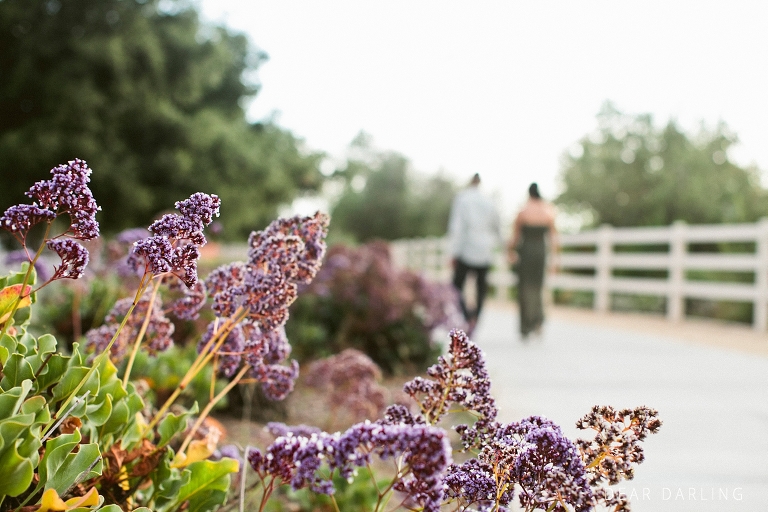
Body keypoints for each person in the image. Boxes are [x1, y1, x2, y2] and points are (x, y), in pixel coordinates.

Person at [447, 173, 502, 333]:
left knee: (457, 287)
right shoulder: (489, 201)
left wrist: (453, 251)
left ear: (471, 182)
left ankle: (466, 315)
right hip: (485, 251)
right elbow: (497, 227)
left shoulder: (462, 198)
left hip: (466, 249)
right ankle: (475, 317)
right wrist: (503, 247)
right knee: (481, 290)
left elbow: (457, 226)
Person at [508, 183, 558, 340]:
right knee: (538, 287)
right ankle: (538, 322)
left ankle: (526, 326)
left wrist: (510, 251)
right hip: (540, 252)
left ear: (529, 194)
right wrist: (555, 259)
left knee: (524, 288)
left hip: (526, 252)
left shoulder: (523, 211)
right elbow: (554, 238)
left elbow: (515, 237)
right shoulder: (547, 210)